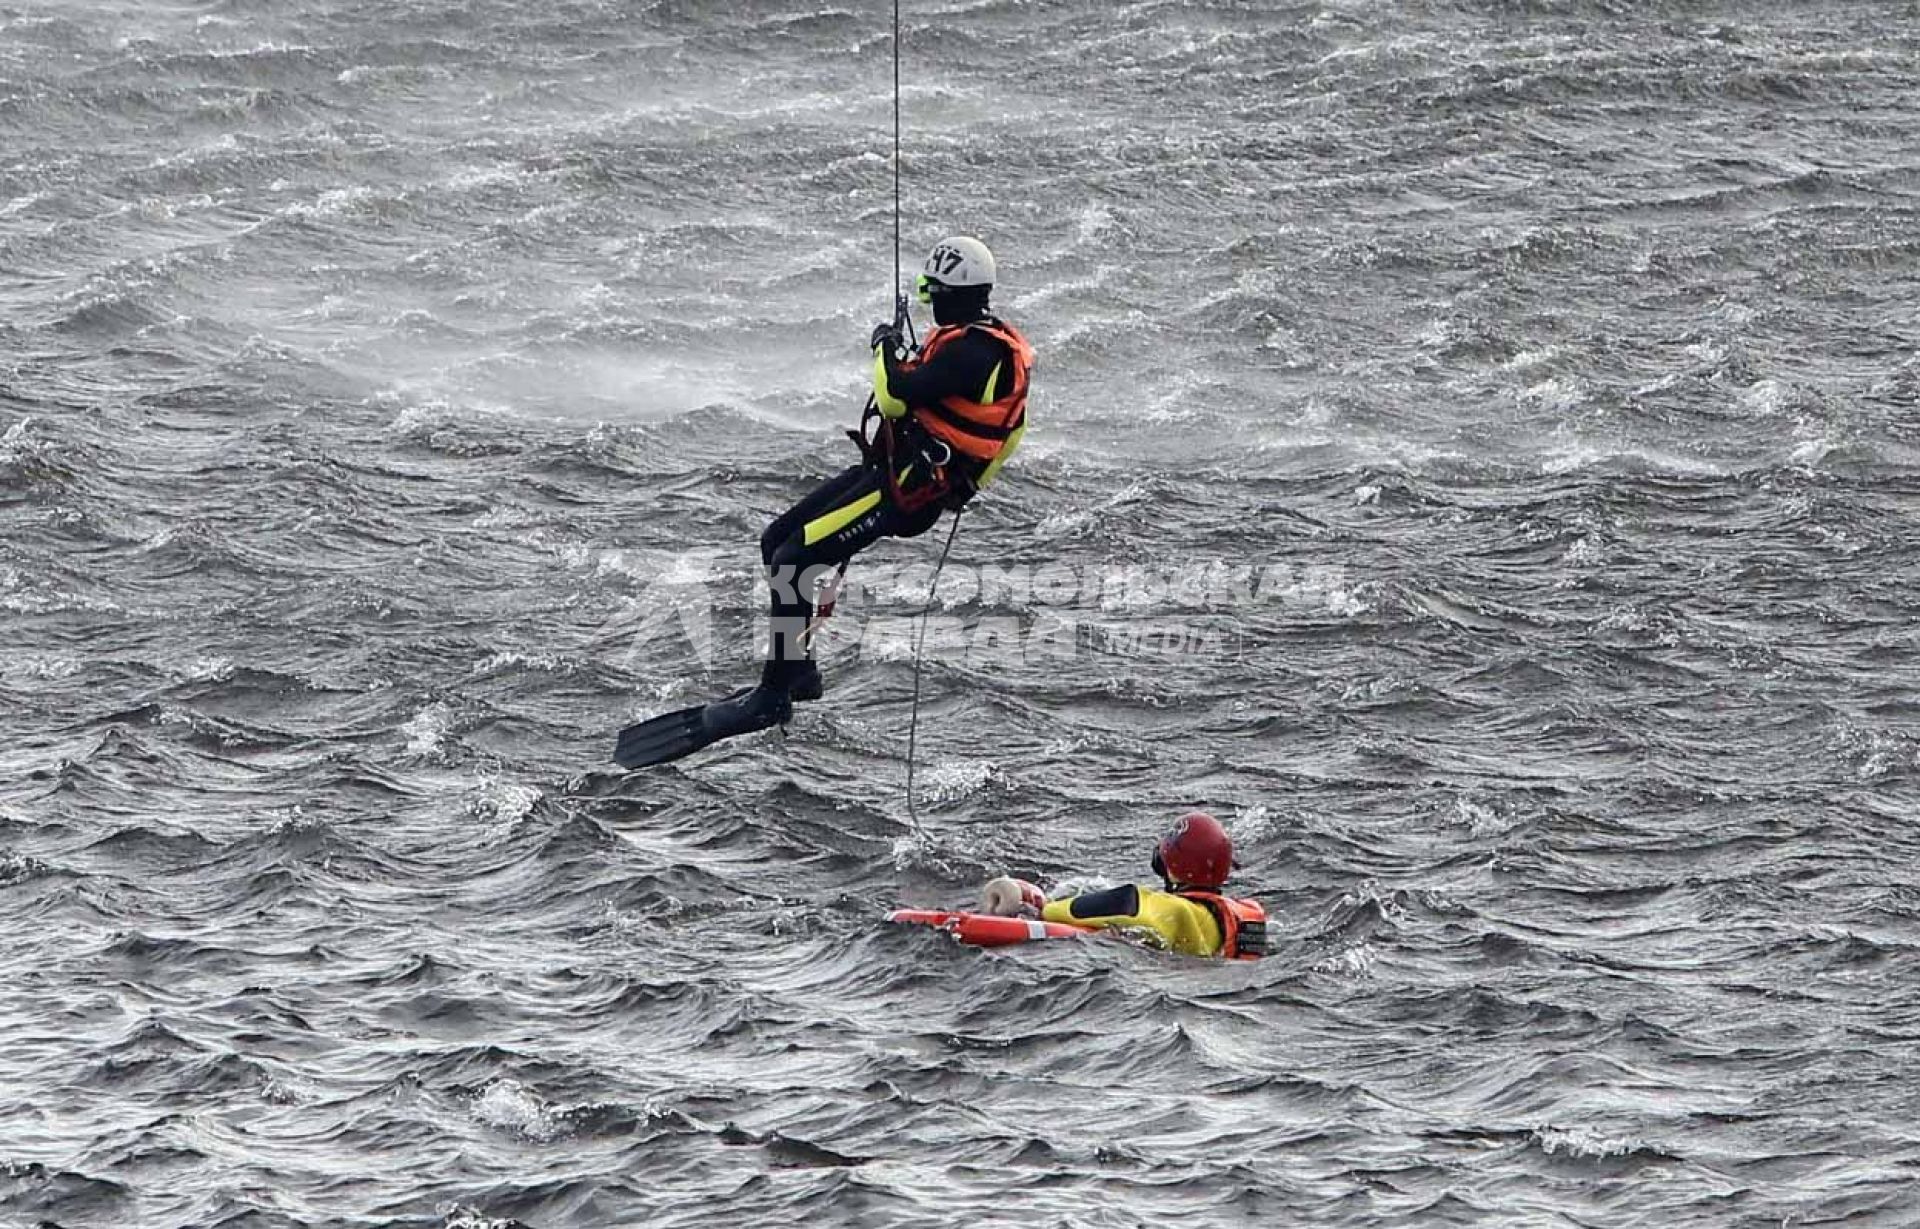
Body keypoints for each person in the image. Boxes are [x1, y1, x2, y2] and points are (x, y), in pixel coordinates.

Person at [705, 236, 1036, 739]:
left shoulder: (976, 352)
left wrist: (883, 345)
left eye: (935, 292)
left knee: (796, 560)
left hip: (909, 492)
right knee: (776, 542)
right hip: (889, 469)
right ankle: (799, 673)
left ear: (961, 293)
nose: (930, 302)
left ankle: (771, 697)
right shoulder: (969, 340)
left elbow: (897, 395)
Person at [980, 812, 1268, 959]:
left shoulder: (1173, 910)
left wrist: (1043, 910)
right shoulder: (1246, 913)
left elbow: (1124, 904)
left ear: (1170, 864)